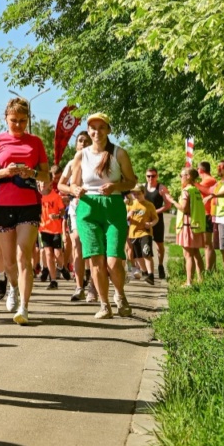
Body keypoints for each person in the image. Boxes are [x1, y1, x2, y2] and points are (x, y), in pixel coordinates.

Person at [0, 98, 50, 325]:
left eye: (23, 121)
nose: (19, 125)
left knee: (24, 256)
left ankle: (24, 306)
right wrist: (5, 172)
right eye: (14, 121)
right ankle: (12, 287)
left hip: (29, 204)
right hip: (2, 204)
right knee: (9, 261)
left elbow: (46, 175)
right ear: (6, 118)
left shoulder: (36, 142)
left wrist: (31, 173)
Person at [67, 113, 138, 319]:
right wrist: (75, 190)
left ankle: (120, 295)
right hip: (88, 207)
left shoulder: (119, 153)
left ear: (108, 130)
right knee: (96, 259)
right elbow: (73, 182)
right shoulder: (81, 155)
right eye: (93, 128)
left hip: (113, 206)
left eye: (101, 127)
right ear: (88, 131)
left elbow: (131, 181)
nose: (96, 132)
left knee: (114, 260)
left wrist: (116, 186)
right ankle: (104, 304)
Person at [59, 131, 93, 301]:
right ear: (76, 145)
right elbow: (60, 185)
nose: (83, 143)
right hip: (76, 206)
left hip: (94, 206)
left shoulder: (97, 161)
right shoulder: (72, 164)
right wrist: (73, 189)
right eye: (80, 141)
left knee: (93, 246)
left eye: (87, 141)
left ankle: (93, 285)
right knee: (77, 243)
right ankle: (79, 286)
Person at [164, 168, 206, 287]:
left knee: (188, 255)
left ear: (188, 176)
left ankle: (189, 282)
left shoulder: (186, 191)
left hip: (187, 226)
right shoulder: (196, 190)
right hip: (196, 226)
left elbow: (183, 208)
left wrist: (172, 201)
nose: (180, 177)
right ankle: (200, 279)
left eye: (181, 175)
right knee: (196, 253)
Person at [142, 167, 172, 279]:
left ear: (157, 176)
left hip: (157, 220)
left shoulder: (161, 188)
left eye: (153, 176)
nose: (151, 178)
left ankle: (160, 265)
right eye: (148, 176)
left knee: (159, 245)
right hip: (145, 221)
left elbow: (168, 205)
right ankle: (148, 271)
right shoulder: (143, 188)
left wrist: (154, 212)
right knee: (145, 244)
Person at [125, 185, 159, 284]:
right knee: (138, 256)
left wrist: (151, 224)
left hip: (145, 232)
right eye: (134, 194)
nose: (136, 196)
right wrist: (128, 215)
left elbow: (156, 218)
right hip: (133, 233)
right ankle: (144, 272)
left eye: (138, 194)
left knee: (146, 253)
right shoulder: (130, 205)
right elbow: (124, 219)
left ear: (143, 193)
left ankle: (151, 275)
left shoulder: (149, 205)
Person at [38, 176, 65, 290]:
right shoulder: (38, 197)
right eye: (41, 181)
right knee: (48, 253)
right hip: (44, 229)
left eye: (45, 181)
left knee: (58, 254)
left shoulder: (56, 196)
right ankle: (53, 280)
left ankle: (62, 267)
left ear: (50, 183)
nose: (43, 184)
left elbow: (62, 210)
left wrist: (57, 216)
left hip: (56, 229)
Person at [195, 161, 218, 271]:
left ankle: (209, 269)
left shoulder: (209, 180)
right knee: (207, 244)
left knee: (207, 244)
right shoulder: (205, 180)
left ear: (200, 170)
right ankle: (212, 268)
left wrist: (193, 183)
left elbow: (207, 191)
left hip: (207, 214)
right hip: (204, 214)